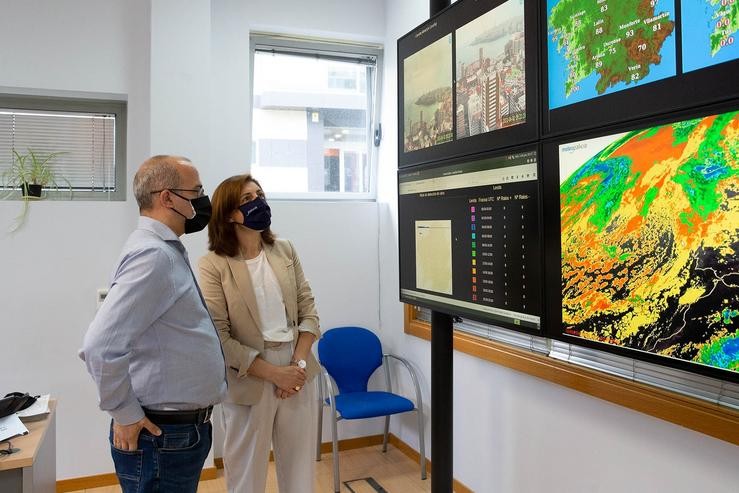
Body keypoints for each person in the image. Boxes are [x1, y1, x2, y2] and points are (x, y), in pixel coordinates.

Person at [80, 155, 227, 493]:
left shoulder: (164, 249)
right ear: (167, 197)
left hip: (177, 434)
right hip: (163, 437)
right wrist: (125, 413)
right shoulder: (154, 256)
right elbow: (99, 346)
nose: (203, 201)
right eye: (197, 191)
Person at [198, 174, 321, 493]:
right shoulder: (213, 265)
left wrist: (298, 367)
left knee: (299, 472)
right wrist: (274, 374)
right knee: (246, 477)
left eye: (260, 195)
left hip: (296, 367)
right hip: (249, 374)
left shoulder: (284, 249)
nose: (259, 203)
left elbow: (308, 310)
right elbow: (218, 337)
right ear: (228, 213)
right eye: (248, 200)